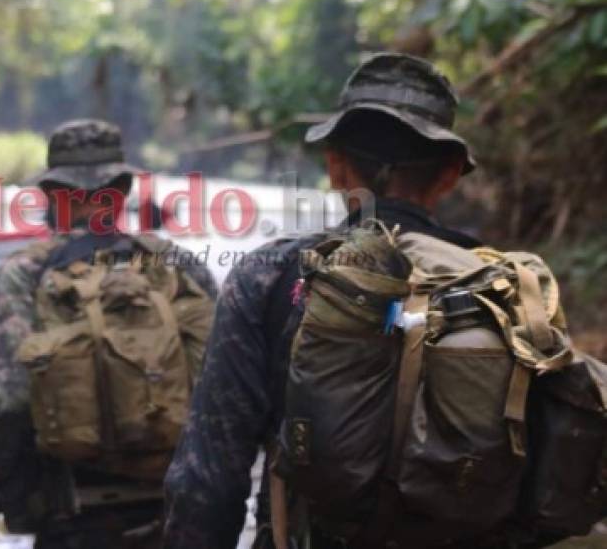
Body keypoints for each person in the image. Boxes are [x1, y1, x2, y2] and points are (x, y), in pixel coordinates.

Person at [163, 53, 487, 548]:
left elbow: (209, 478)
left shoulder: (271, 278)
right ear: (448, 175)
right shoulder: (500, 286)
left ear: (335, 169)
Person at [0, 119, 218, 548]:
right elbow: (225, 392)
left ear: (52, 194)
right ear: (124, 189)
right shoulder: (181, 265)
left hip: (72, 515)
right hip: (174, 512)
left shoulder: (28, 272)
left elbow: (12, 400)